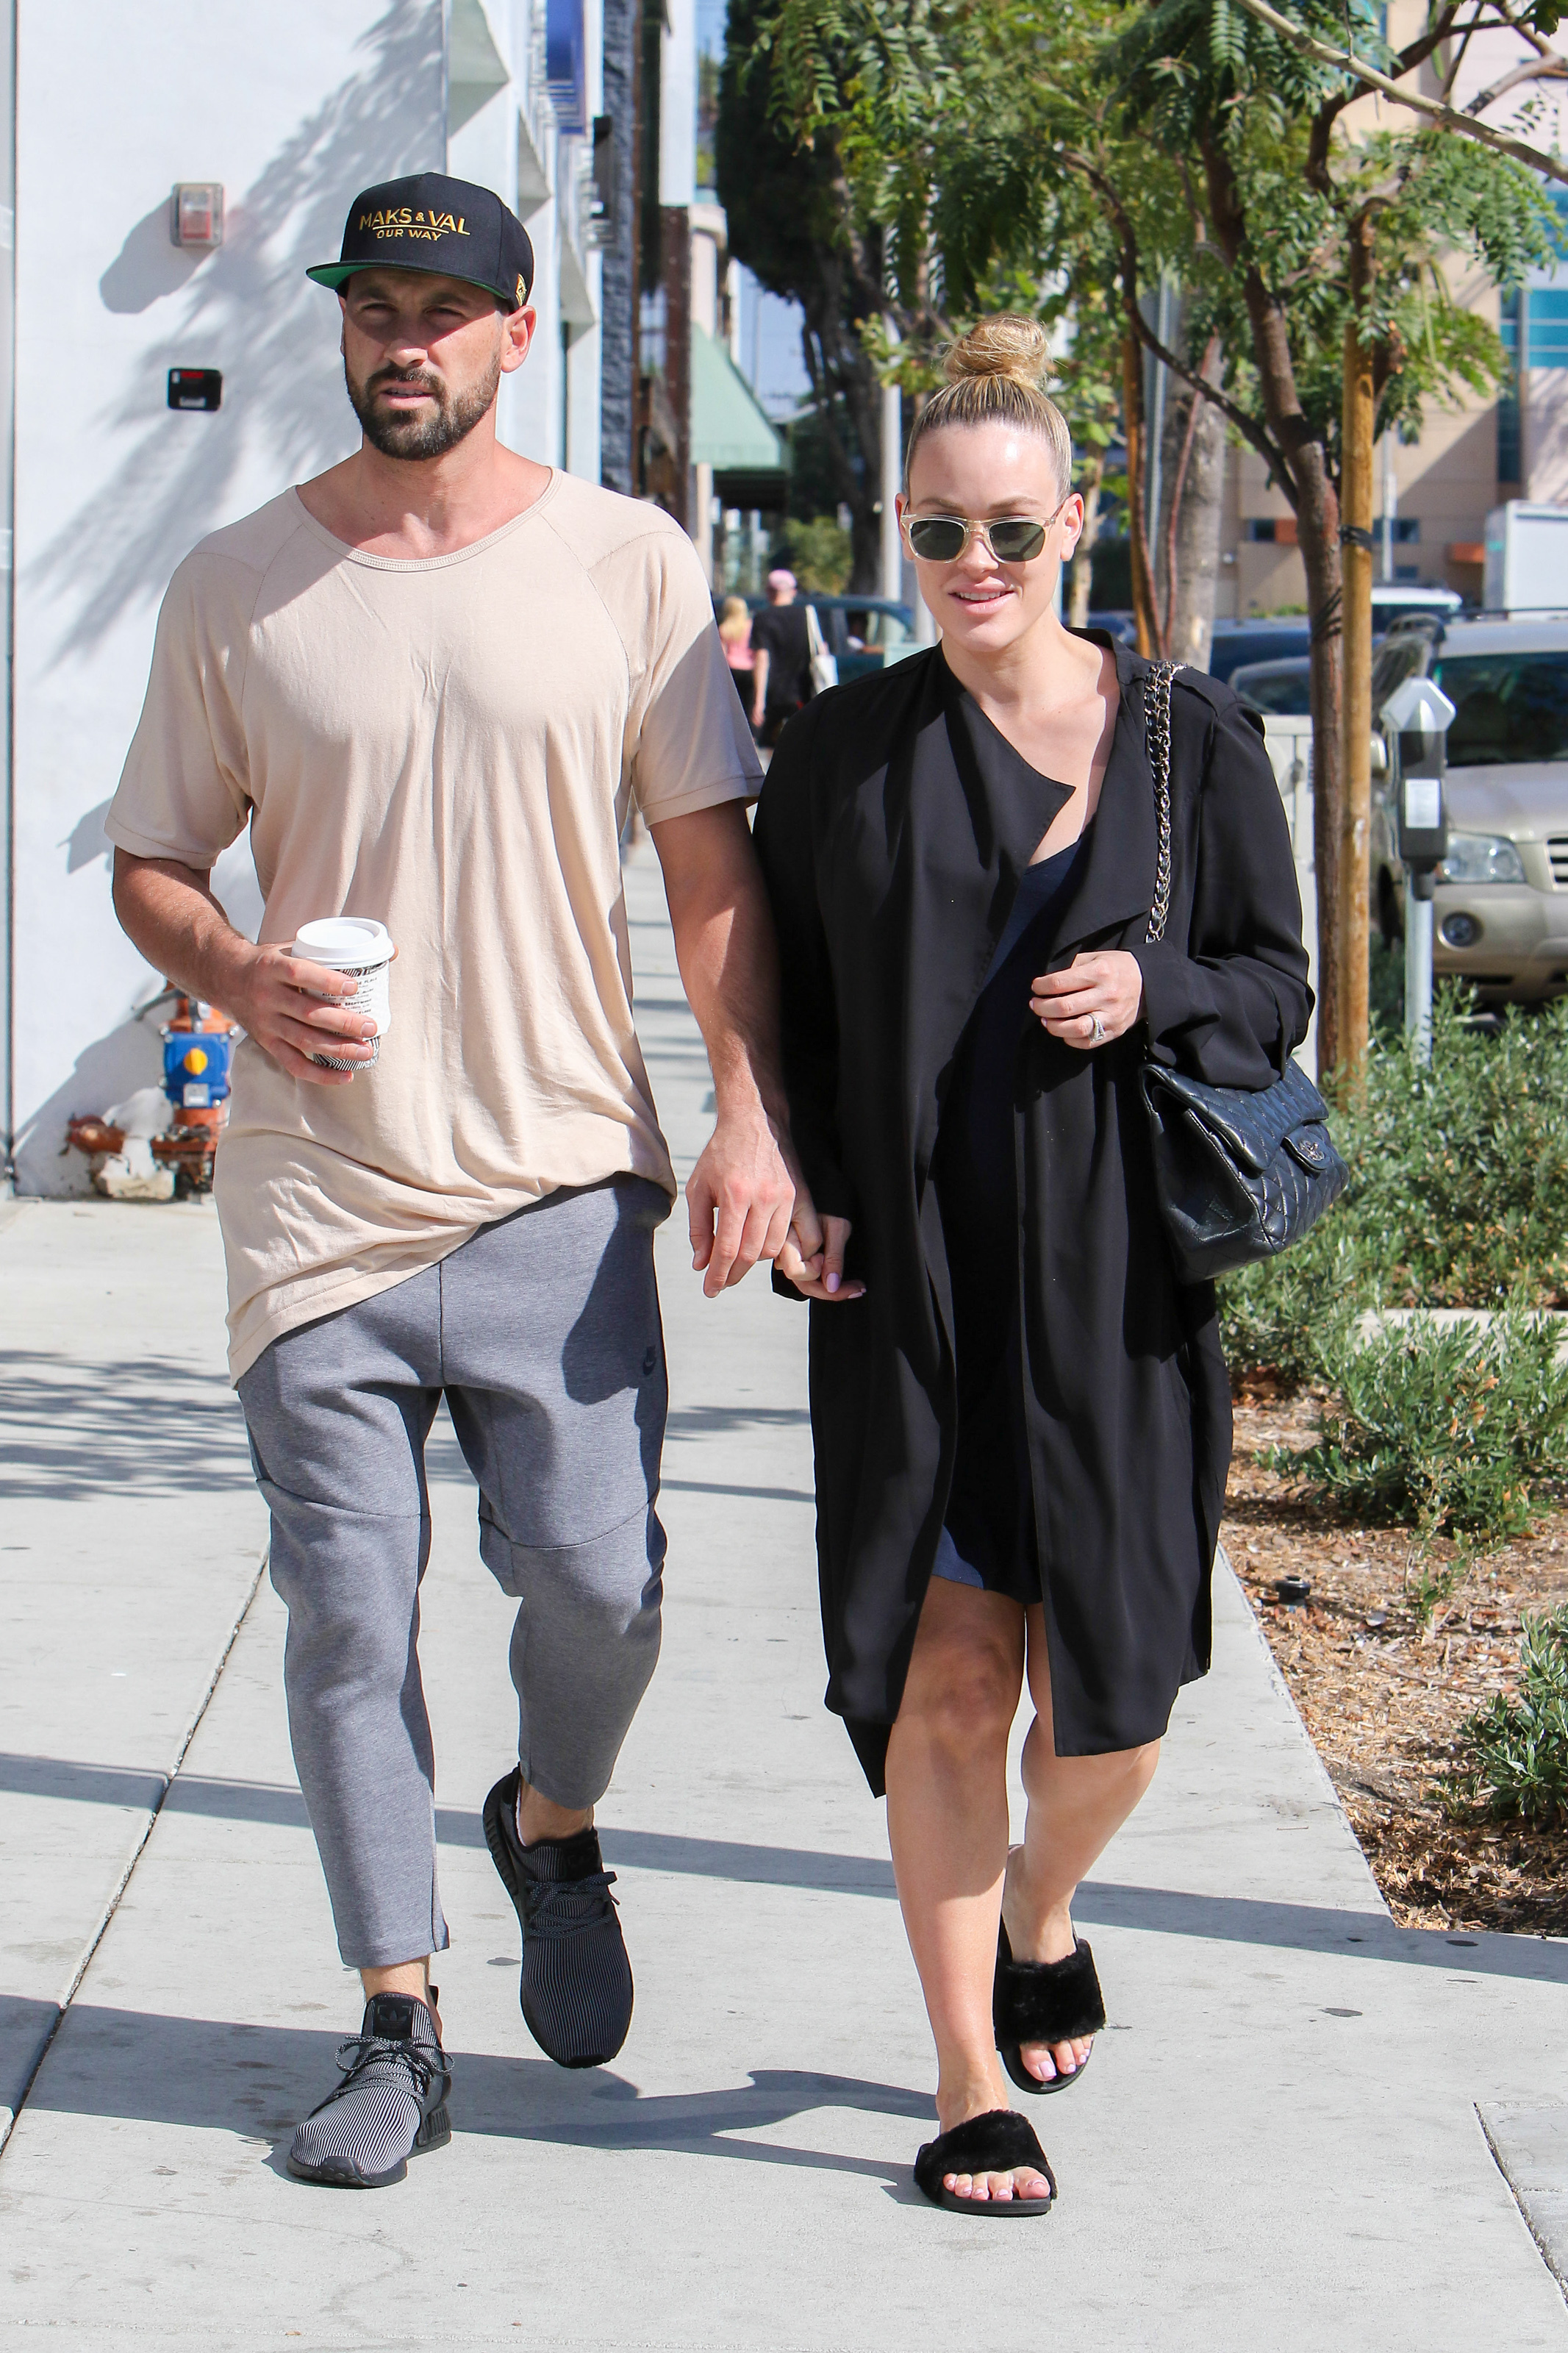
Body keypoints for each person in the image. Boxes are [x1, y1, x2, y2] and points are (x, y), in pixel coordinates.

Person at [107, 173, 805, 2191]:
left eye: (438, 310)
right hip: (314, 1195)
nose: (399, 341)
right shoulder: (235, 584)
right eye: (371, 307)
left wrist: (748, 1114)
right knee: (348, 1615)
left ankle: (549, 1822)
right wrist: (234, 970)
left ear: (512, 332)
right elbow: (153, 861)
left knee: (601, 1585)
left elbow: (709, 872)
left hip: (558, 1177)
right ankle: (396, 2022)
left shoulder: (624, 561)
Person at [758, 315, 1311, 2216]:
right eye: (938, 531)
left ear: (1074, 522)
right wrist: (796, 1176)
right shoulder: (843, 753)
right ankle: (963, 2078)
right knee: (944, 1691)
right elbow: (788, 1020)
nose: (974, 563)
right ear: (899, 532)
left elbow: (1272, 984)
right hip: (911, 1304)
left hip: (1120, 1304)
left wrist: (1153, 985)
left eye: (1009, 528)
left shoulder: (1186, 739)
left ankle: (1039, 1908)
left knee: (1115, 1715)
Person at [749, 567, 811, 744]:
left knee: (772, 748)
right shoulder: (807, 616)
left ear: (769, 591)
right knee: (802, 744)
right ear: (793, 591)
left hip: (773, 696)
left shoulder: (763, 618)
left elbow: (762, 659)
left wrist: (758, 701)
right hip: (803, 692)